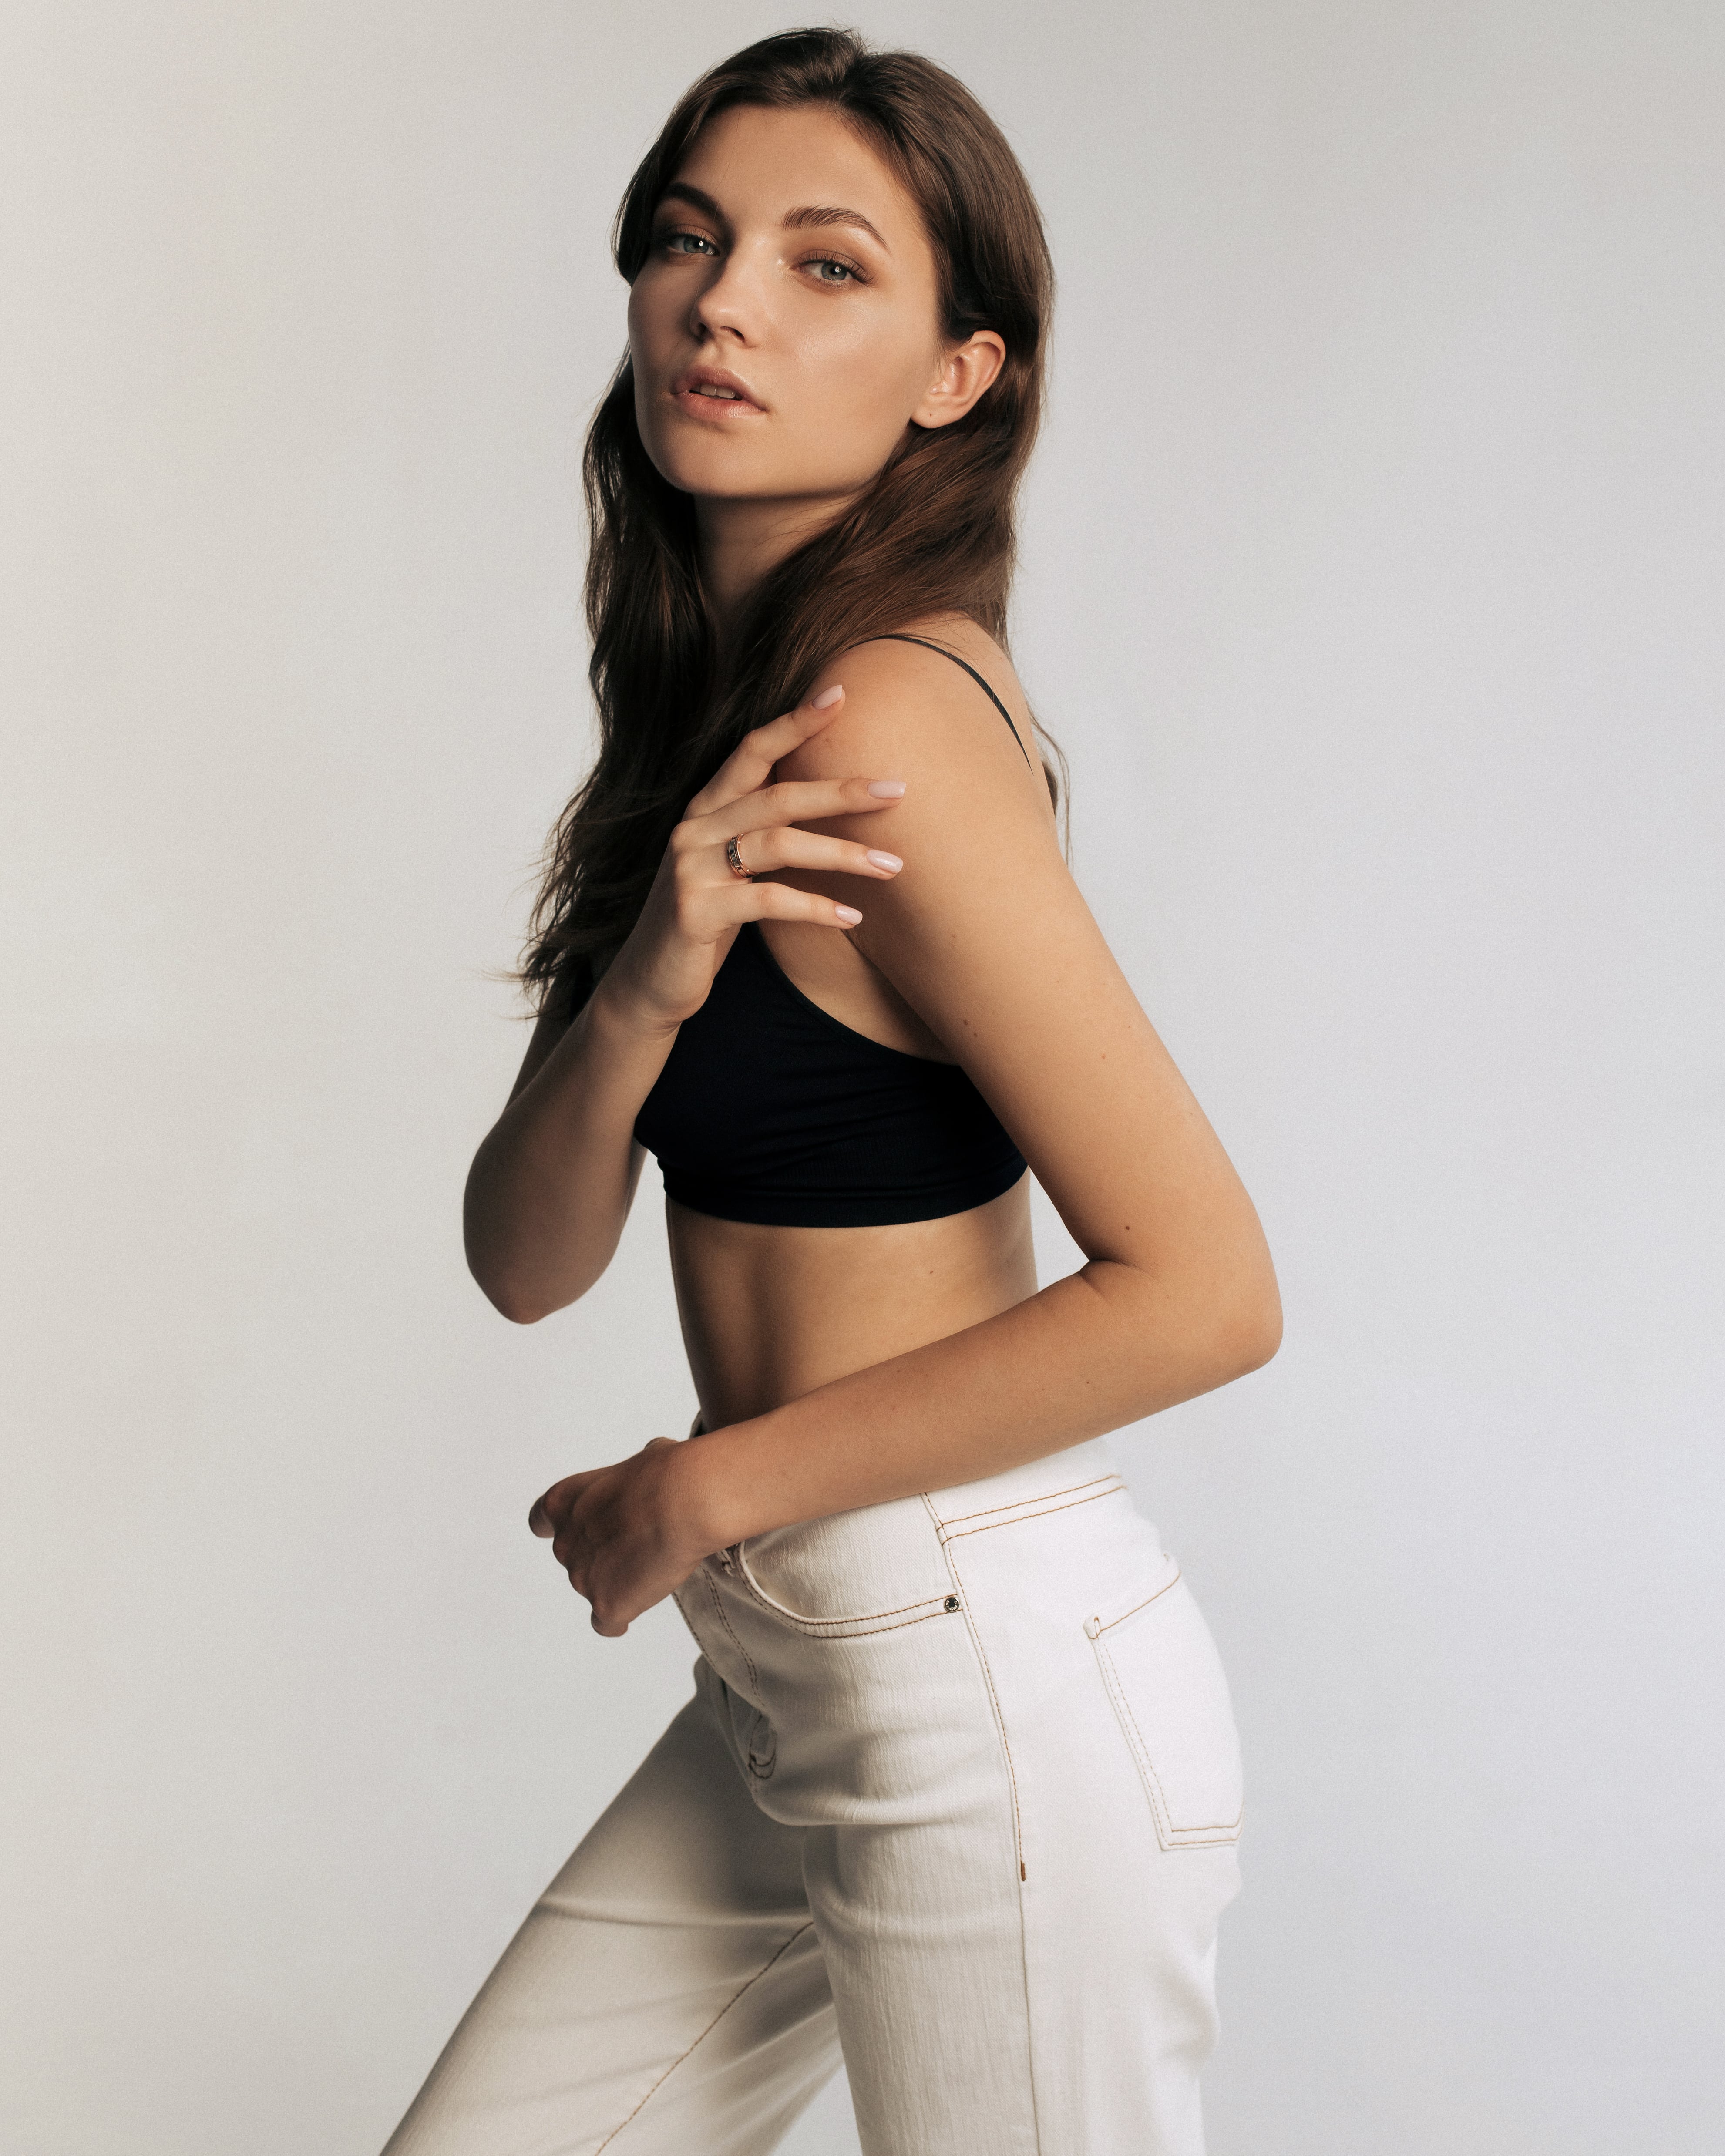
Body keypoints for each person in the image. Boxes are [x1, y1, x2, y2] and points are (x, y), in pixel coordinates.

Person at [385, 28, 1280, 2156]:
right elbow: (526, 1260)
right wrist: (643, 982)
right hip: (803, 1675)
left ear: (960, 373)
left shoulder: (885, 723)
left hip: (980, 1671)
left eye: (825, 265)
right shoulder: (722, 723)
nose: (723, 306)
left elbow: (1206, 1290)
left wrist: (710, 1488)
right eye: (688, 242)